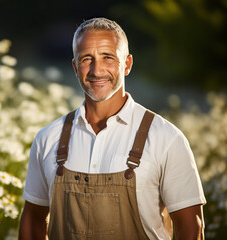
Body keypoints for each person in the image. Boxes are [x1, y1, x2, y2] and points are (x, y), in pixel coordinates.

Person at [19, 17, 206, 240]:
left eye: (108, 57)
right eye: (86, 59)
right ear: (75, 67)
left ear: (127, 64)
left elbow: (191, 229)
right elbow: (32, 222)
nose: (97, 70)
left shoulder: (166, 138)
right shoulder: (47, 138)